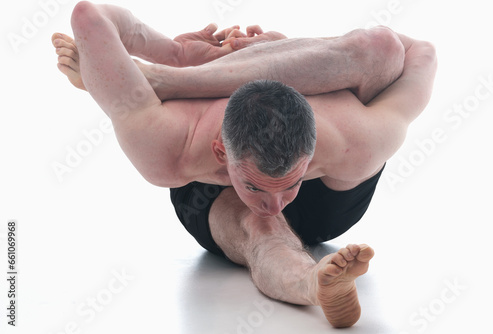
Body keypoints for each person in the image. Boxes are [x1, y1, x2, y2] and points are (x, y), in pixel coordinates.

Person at [52, 1, 437, 328]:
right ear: (221, 151)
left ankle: (181, 80)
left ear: (311, 151)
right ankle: (313, 282)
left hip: (329, 198)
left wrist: (281, 50)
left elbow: (420, 51)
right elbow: (88, 14)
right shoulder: (169, 143)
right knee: (259, 223)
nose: (276, 203)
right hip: (210, 194)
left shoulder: (359, 137)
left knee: (381, 50)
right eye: (256, 186)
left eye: (288, 184)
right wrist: (175, 51)